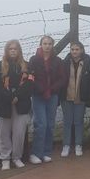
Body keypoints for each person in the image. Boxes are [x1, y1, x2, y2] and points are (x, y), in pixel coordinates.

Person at [0, 40, 33, 171]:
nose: (13, 51)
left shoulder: (27, 66)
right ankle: (5, 158)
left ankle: (17, 157)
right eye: (10, 49)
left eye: (15, 48)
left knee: (19, 133)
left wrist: (17, 96)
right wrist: (9, 97)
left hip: (22, 103)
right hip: (4, 103)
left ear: (19, 50)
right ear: (6, 50)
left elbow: (29, 84)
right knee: (4, 133)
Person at [28, 35, 66, 165]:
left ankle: (46, 152)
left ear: (52, 45)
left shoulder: (58, 61)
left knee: (50, 124)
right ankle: (35, 153)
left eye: (50, 44)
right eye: (45, 43)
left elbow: (62, 78)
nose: (47, 46)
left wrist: (52, 89)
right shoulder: (33, 60)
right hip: (38, 95)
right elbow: (30, 76)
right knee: (41, 124)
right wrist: (41, 89)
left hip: (52, 95)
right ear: (41, 45)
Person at [61, 41, 90, 158]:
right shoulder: (64, 63)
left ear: (81, 50)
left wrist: (89, 96)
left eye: (77, 49)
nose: (74, 51)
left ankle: (78, 145)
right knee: (67, 122)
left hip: (81, 97)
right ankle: (66, 145)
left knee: (78, 122)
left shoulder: (88, 64)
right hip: (66, 97)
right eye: (72, 49)